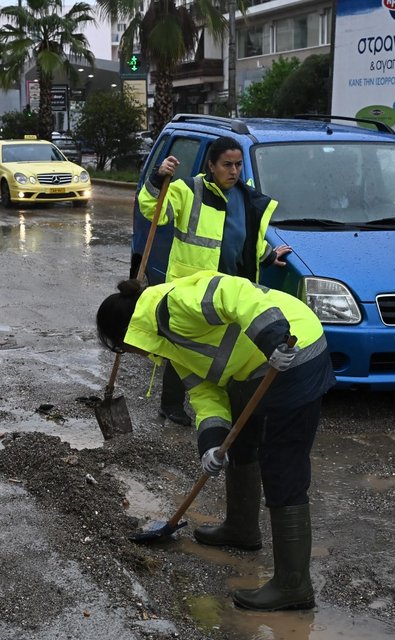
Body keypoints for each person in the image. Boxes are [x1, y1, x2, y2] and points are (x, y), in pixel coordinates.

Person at [96, 271, 335, 611]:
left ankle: (293, 585)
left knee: (282, 466)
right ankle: (241, 528)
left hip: (294, 350)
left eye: (124, 349)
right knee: (240, 441)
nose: (134, 354)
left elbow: (234, 293)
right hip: (252, 369)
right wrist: (211, 442)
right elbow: (204, 393)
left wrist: (272, 339)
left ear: (127, 336)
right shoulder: (166, 341)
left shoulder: (172, 306)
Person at [137, 136, 290, 428]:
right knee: (184, 348)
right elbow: (153, 210)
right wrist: (159, 178)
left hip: (232, 285)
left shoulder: (245, 196)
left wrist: (268, 256)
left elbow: (244, 240)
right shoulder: (188, 190)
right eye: (226, 165)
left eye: (237, 164)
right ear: (211, 165)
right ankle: (170, 404)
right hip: (194, 287)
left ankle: (225, 401)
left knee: (228, 345)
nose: (233, 171)